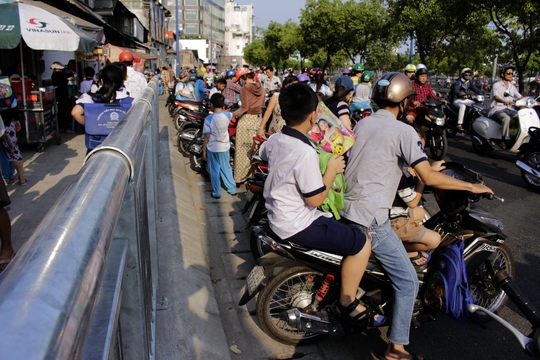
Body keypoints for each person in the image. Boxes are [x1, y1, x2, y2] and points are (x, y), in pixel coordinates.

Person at [341, 72, 492, 360]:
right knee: (409, 281)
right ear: (406, 101)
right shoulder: (404, 131)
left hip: (349, 207)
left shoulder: (363, 123)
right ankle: (396, 348)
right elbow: (428, 178)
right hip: (373, 216)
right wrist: (471, 186)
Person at [260, 82, 385, 330]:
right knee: (362, 244)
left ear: (282, 112)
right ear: (314, 115)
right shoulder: (305, 152)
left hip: (277, 216)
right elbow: (315, 199)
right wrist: (331, 170)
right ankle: (347, 304)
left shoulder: (276, 139)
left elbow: (263, 154)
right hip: (298, 222)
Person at [391, 125, 443, 266]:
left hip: (390, 214)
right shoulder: (398, 172)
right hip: (393, 221)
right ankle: (403, 251)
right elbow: (412, 202)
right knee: (435, 240)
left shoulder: (401, 166)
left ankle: (403, 240)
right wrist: (423, 178)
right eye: (417, 148)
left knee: (420, 212)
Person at [232, 68, 265, 183]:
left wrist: (232, 114)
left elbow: (244, 108)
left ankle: (239, 178)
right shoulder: (261, 87)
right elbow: (262, 105)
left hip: (246, 120)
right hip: (258, 120)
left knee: (242, 150)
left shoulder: (245, 89)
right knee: (253, 149)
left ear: (244, 78)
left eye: (240, 79)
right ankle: (250, 174)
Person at [202, 93, 236, 199]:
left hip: (212, 148)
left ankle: (217, 192)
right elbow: (237, 112)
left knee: (214, 170)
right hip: (225, 147)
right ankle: (232, 188)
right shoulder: (228, 115)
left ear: (211, 104)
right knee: (226, 167)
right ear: (223, 104)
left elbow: (207, 136)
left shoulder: (208, 119)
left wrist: (203, 151)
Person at [488, 64, 524, 149]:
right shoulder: (496, 85)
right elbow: (496, 97)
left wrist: (532, 101)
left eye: (512, 73)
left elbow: (519, 96)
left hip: (509, 109)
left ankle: (519, 138)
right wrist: (505, 101)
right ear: (502, 74)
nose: (511, 75)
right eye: (508, 73)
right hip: (497, 108)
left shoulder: (512, 86)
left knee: (521, 116)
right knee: (506, 118)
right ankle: (503, 140)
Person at [0, 78, 27, 186]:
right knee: (13, 150)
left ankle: (5, 177)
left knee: (2, 151)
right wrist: (16, 119)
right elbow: (13, 103)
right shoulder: (4, 85)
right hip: (7, 124)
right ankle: (21, 178)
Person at [449, 68, 483, 132]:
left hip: (465, 99)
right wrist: (461, 95)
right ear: (462, 74)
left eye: (469, 75)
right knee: (462, 106)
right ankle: (459, 124)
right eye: (466, 74)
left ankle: (474, 120)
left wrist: (483, 94)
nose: (468, 76)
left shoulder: (469, 83)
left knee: (476, 105)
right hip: (456, 100)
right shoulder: (458, 82)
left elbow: (476, 89)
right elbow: (456, 91)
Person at [51, 61, 74, 133]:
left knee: (60, 112)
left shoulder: (55, 75)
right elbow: (67, 75)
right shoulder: (58, 75)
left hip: (58, 95)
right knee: (65, 111)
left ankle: (61, 127)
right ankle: (66, 128)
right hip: (62, 95)